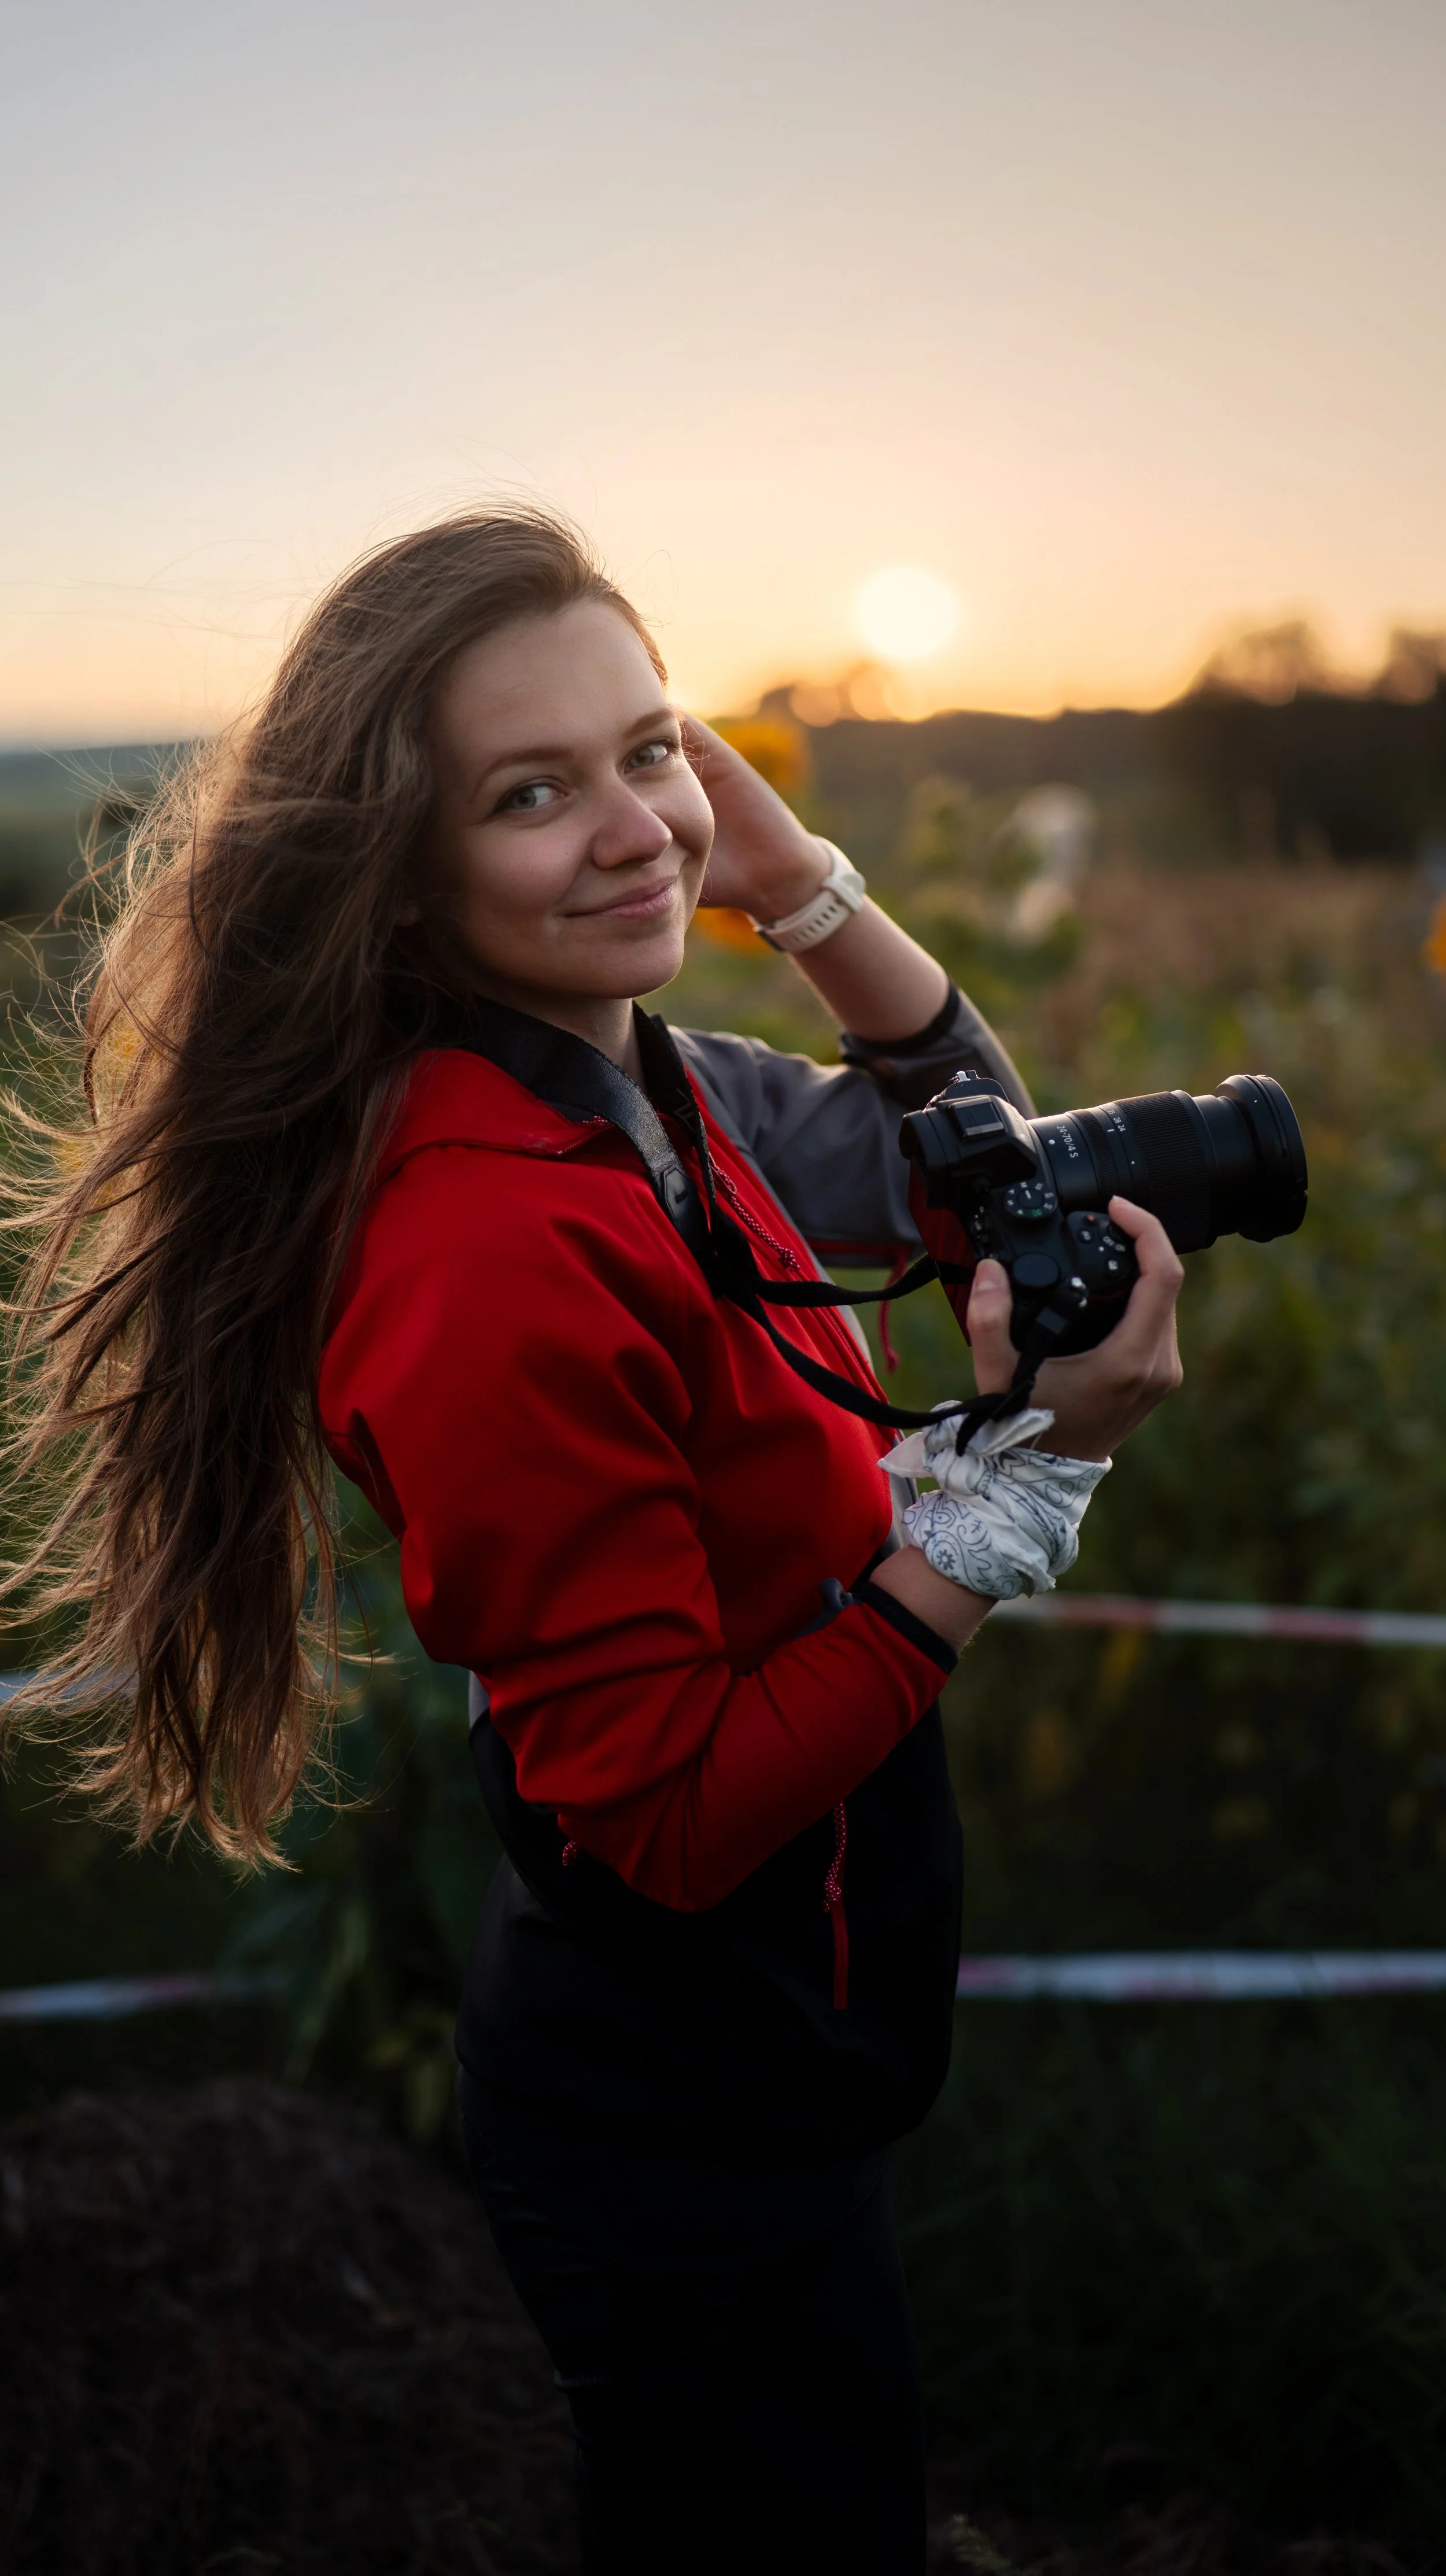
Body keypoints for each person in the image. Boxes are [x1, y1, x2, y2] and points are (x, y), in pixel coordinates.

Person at [4, 509, 1182, 2574]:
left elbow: (967, 1171)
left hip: (773, 2068)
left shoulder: (622, 1083)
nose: (636, 826)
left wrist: (802, 886)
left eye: (653, 748)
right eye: (530, 792)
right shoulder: (486, 1240)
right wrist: (1006, 1508)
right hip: (678, 2124)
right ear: (405, 869)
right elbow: (655, 1811)